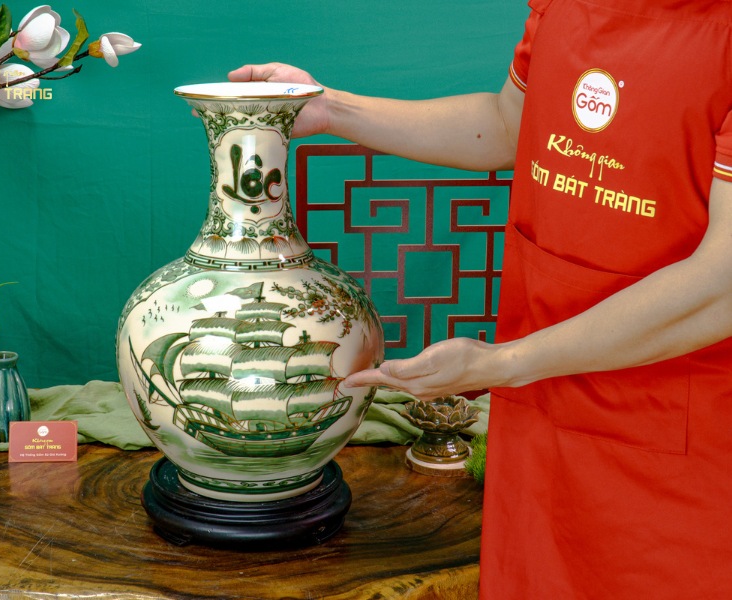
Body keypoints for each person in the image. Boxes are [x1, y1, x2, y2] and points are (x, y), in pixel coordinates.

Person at [231, 0, 732, 598]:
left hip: (679, 440)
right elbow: (509, 125)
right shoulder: (560, 8)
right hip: (538, 417)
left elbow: (722, 284)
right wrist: (330, 108)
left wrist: (503, 362)